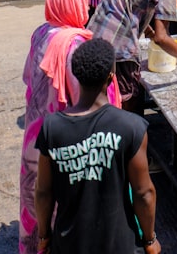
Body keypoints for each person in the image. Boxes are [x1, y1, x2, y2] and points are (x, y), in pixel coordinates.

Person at [20, 0, 119, 254]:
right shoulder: (74, 44)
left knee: (37, 192)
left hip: (36, 131)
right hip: (67, 135)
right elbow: (84, 98)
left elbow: (28, 77)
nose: (87, 9)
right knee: (63, 203)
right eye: (84, 3)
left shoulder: (41, 32)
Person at [35, 38, 159, 254]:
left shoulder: (52, 128)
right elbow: (143, 192)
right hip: (119, 245)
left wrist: (44, 235)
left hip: (68, 244)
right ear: (111, 79)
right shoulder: (130, 127)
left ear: (76, 75)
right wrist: (150, 240)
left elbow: (44, 192)